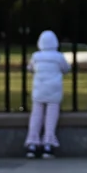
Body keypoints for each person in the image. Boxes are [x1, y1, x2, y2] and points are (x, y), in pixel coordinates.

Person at [25, 30, 70, 159]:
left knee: (36, 116)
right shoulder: (59, 57)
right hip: (54, 91)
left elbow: (30, 68)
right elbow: (66, 68)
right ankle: (48, 144)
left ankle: (32, 143)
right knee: (51, 118)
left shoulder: (36, 56)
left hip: (39, 90)